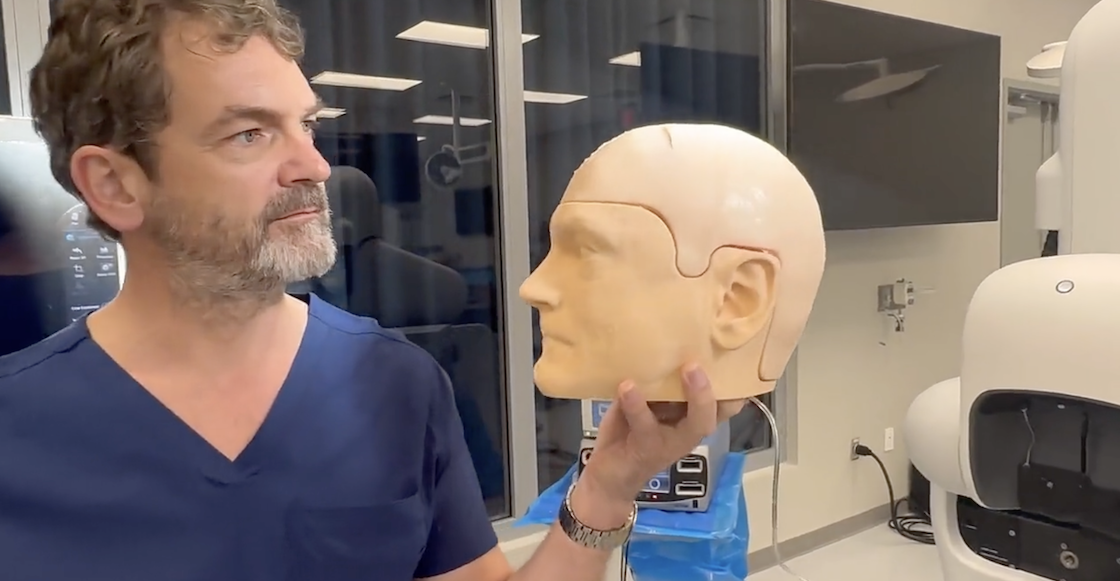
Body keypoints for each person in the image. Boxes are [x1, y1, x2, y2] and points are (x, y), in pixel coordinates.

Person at [0, 1, 746, 580]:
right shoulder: (19, 429)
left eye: (305, 125)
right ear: (115, 184)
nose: (314, 166)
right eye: (249, 134)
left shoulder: (397, 385)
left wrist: (607, 488)